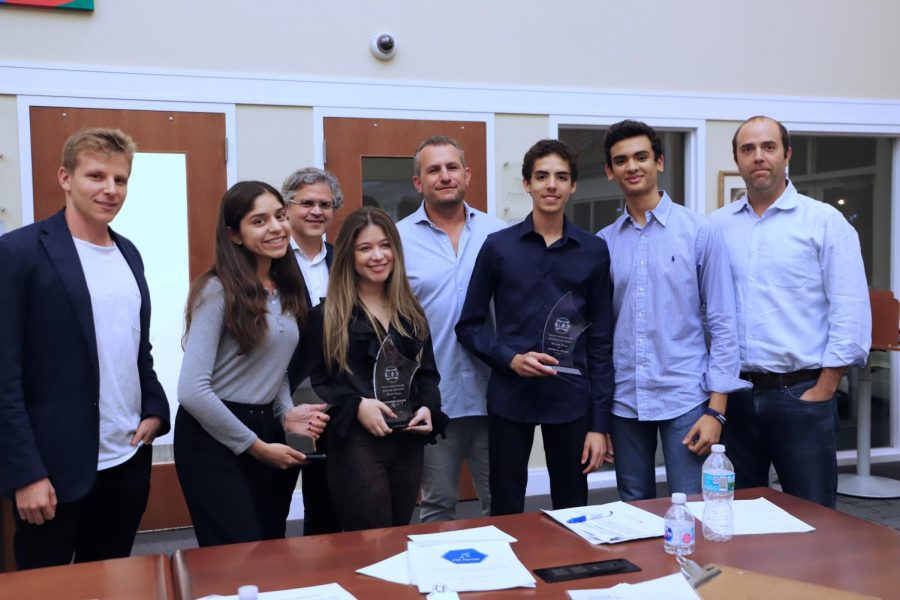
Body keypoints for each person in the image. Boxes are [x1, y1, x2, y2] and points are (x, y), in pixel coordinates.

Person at [0, 128, 170, 569]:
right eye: (96, 176)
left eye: (120, 179)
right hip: (52, 469)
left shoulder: (129, 253)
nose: (110, 190)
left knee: (112, 582)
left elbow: (136, 348)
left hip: (126, 459)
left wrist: (154, 405)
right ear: (65, 177)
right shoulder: (18, 253)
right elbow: (4, 375)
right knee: (43, 592)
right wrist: (26, 473)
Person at [710, 116, 871, 508]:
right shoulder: (716, 228)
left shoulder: (824, 222)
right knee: (738, 517)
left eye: (768, 147)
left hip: (802, 395)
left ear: (787, 155)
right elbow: (708, 311)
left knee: (813, 519)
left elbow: (850, 310)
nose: (758, 157)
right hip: (738, 398)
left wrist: (826, 386)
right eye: (748, 149)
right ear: (737, 158)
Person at [456, 139, 614, 515]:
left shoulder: (593, 251)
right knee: (506, 505)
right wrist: (509, 359)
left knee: (573, 507)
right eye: (541, 176)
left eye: (561, 177)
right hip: (511, 396)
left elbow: (601, 341)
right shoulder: (499, 247)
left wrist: (599, 424)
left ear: (573, 185)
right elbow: (469, 326)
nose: (551, 185)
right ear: (527, 184)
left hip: (571, 399)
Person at [597, 120, 747, 501]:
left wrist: (717, 411)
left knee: (693, 504)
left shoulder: (699, 231)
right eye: (622, 160)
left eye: (641, 157)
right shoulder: (605, 243)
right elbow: (599, 331)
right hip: (625, 400)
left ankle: (697, 565)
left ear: (659, 162)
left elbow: (723, 323)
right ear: (609, 171)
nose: (632, 166)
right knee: (635, 507)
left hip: (687, 397)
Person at [175, 180, 326, 546]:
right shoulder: (216, 290)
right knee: (235, 553)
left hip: (266, 426)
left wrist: (287, 412)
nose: (275, 228)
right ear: (235, 234)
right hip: (213, 434)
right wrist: (256, 446)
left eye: (278, 216)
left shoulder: (285, 287)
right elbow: (192, 390)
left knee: (269, 546)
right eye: (259, 221)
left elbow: (276, 370)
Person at [302, 206, 448, 531]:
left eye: (385, 246)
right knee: (370, 543)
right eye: (365, 248)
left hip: (408, 440)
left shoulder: (411, 312)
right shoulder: (326, 317)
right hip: (357, 444)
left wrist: (427, 407)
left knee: (398, 536)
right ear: (348, 257)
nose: (378, 256)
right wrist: (356, 406)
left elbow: (427, 375)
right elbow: (315, 382)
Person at [397, 136, 505, 522]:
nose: (445, 176)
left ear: (467, 174)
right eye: (433, 170)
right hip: (431, 399)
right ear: (418, 182)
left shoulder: (501, 234)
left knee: (503, 504)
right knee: (438, 504)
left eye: (452, 167)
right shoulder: (398, 241)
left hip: (495, 395)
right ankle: (438, 583)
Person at [282, 167, 342, 535]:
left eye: (325, 204)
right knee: (272, 504)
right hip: (279, 399)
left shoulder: (345, 261)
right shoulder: (269, 260)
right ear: (287, 207)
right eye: (307, 203)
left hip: (331, 400)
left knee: (327, 511)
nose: (317, 211)